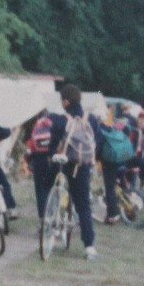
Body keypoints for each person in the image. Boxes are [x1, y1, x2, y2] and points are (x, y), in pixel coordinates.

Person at [33, 84, 103, 260]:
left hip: (62, 162)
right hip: (82, 164)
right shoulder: (91, 119)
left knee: (45, 185)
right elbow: (98, 141)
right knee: (83, 204)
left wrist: (50, 155)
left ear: (65, 101)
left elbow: (52, 142)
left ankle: (47, 219)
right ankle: (89, 247)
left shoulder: (57, 118)